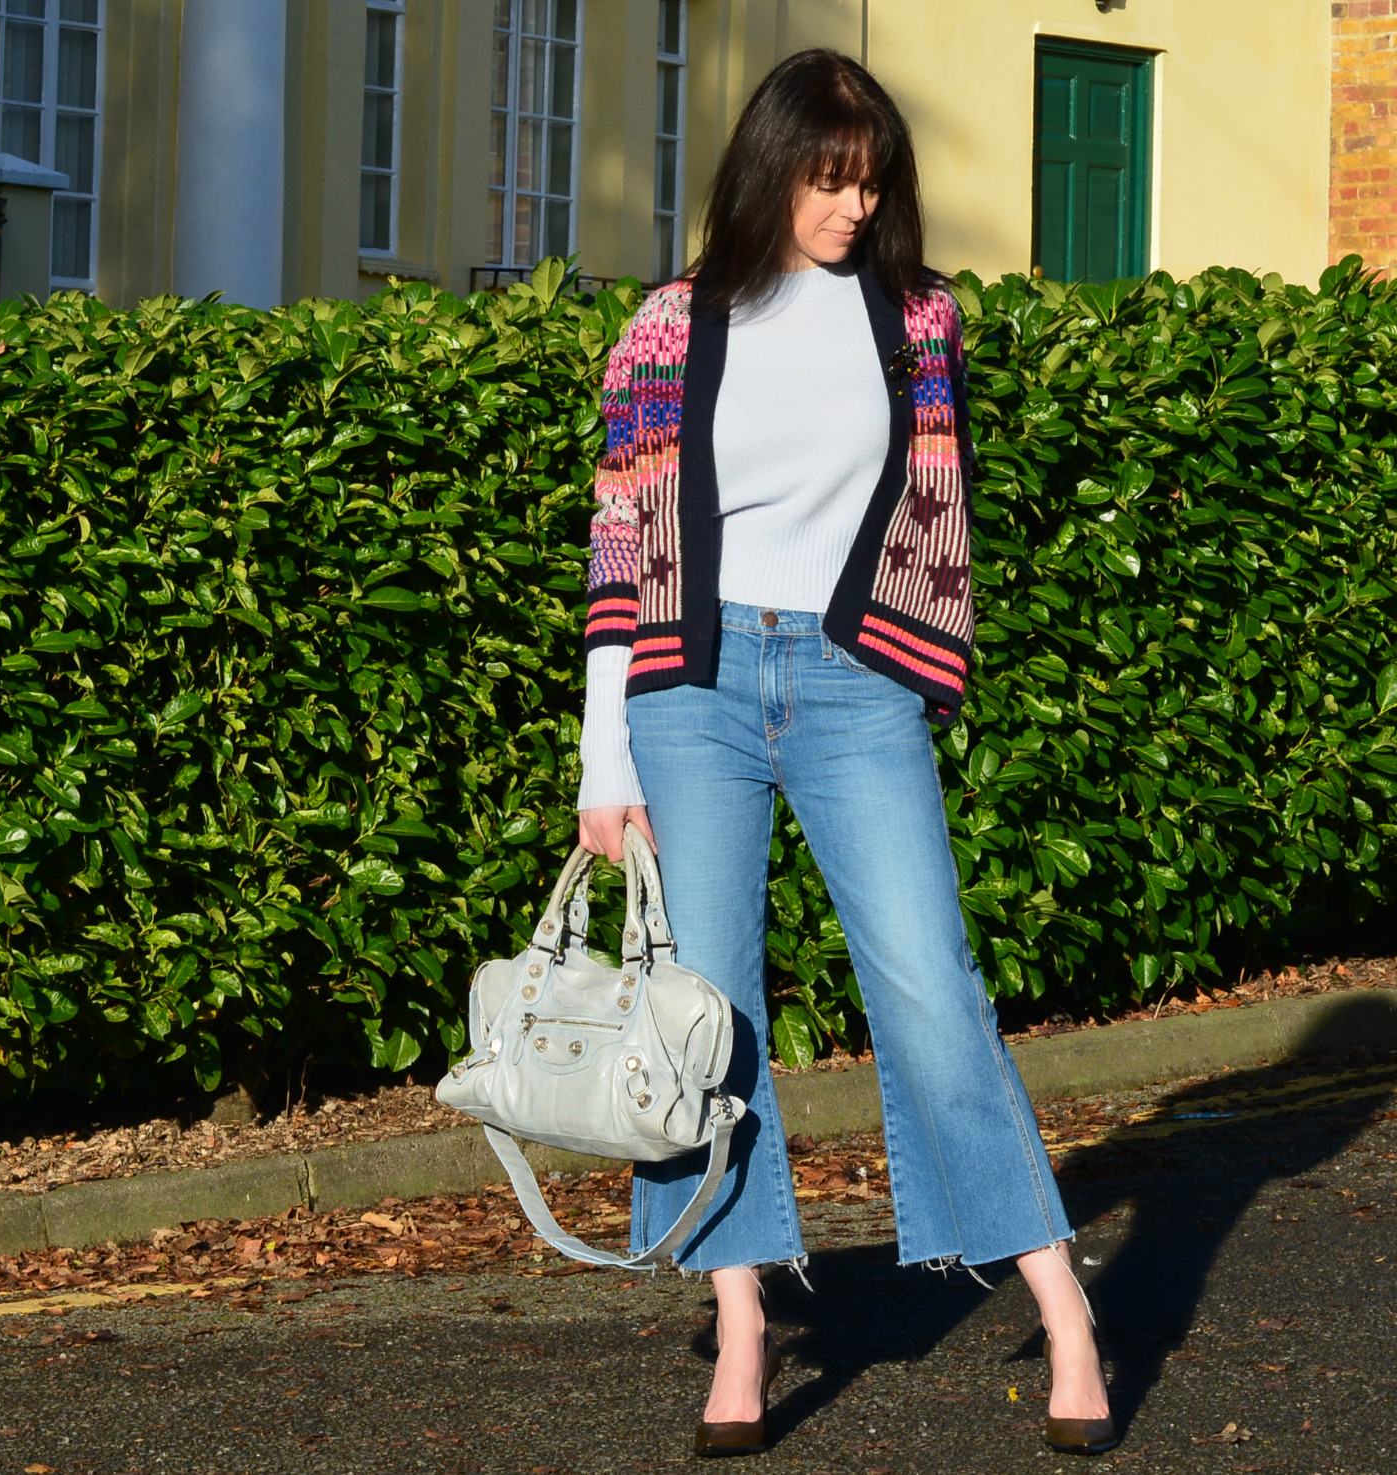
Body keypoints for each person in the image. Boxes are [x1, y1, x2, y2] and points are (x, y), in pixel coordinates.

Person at [573, 48, 1116, 1459]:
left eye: (869, 183)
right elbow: (620, 547)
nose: (851, 208)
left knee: (934, 985)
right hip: (689, 687)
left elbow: (936, 512)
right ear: (771, 170)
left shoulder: (917, 323)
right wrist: (602, 763)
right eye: (828, 179)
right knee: (708, 1012)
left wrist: (909, 652)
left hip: (849, 678)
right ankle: (741, 1314)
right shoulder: (669, 326)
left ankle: (1061, 1300)